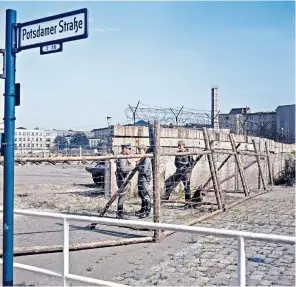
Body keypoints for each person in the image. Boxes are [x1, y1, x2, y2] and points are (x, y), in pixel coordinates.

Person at [163, 140, 194, 206]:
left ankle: (187, 203)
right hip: (178, 172)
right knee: (168, 182)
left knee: (186, 187)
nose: (178, 147)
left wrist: (188, 170)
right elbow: (176, 163)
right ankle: (166, 199)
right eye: (178, 146)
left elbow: (192, 163)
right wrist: (179, 168)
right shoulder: (178, 153)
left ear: (183, 146)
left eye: (180, 146)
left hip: (186, 173)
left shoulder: (189, 153)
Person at [115, 143, 134, 219]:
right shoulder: (122, 157)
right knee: (122, 196)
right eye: (129, 149)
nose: (130, 150)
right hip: (122, 180)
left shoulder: (124, 157)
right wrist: (132, 166)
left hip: (122, 179)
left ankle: (120, 212)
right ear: (124, 149)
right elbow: (123, 169)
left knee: (123, 196)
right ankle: (119, 213)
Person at [135, 144, 152, 218]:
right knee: (141, 194)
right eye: (138, 150)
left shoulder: (146, 159)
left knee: (146, 195)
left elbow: (143, 170)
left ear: (144, 151)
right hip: (141, 178)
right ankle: (142, 209)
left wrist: (138, 166)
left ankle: (147, 211)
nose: (139, 152)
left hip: (144, 179)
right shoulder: (142, 158)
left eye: (140, 150)